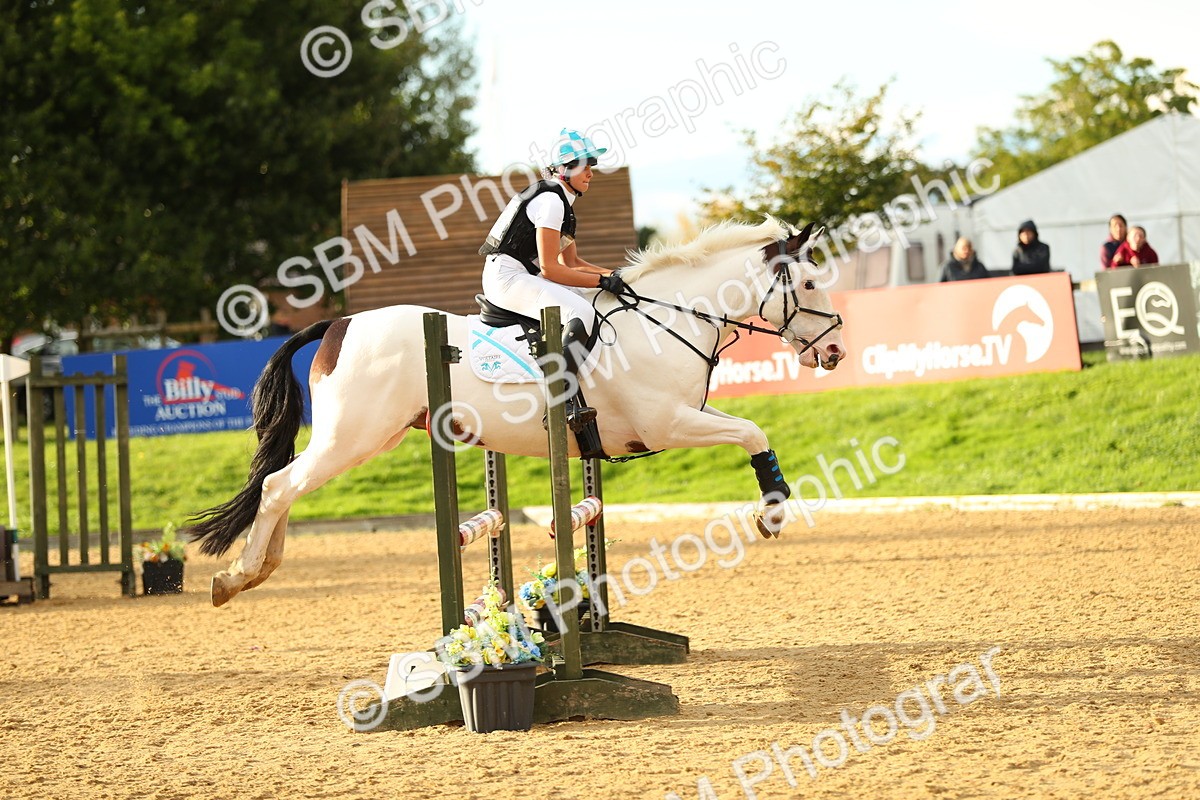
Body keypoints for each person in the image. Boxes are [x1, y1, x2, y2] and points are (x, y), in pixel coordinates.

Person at [479, 128, 628, 429]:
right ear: (565, 169)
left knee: (587, 299)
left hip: (519, 274)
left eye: (591, 165)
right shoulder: (551, 201)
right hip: (506, 277)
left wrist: (612, 275)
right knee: (581, 311)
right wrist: (601, 282)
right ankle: (562, 403)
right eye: (584, 165)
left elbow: (571, 263)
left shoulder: (562, 203)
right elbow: (551, 269)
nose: (591, 172)